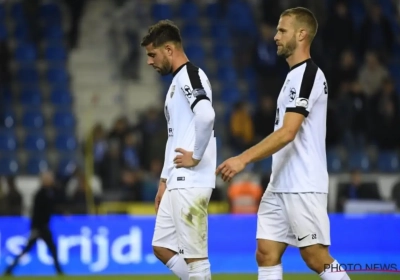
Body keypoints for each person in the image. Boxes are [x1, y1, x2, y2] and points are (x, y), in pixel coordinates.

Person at [216, 7, 351, 280]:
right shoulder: (291, 76)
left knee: (315, 257)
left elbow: (288, 132)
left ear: (301, 35)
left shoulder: (309, 76)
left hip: (303, 184)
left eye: (282, 30)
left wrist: (243, 158)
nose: (275, 36)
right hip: (280, 183)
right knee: (265, 253)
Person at [140, 20, 216, 280]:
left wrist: (195, 156)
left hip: (191, 180)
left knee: (196, 260)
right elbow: (174, 138)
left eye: (152, 54)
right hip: (176, 180)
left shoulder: (190, 76)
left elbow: (206, 116)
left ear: (169, 50)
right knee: (161, 247)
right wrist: (164, 180)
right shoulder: (176, 83)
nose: (149, 61)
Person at [4, 171, 63, 276]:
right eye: (49, 178)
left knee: (50, 249)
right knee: (30, 250)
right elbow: (37, 213)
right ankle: (9, 269)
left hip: (43, 227)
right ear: (44, 180)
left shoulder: (49, 192)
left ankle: (10, 269)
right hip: (40, 228)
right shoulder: (40, 194)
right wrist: (36, 228)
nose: (51, 180)